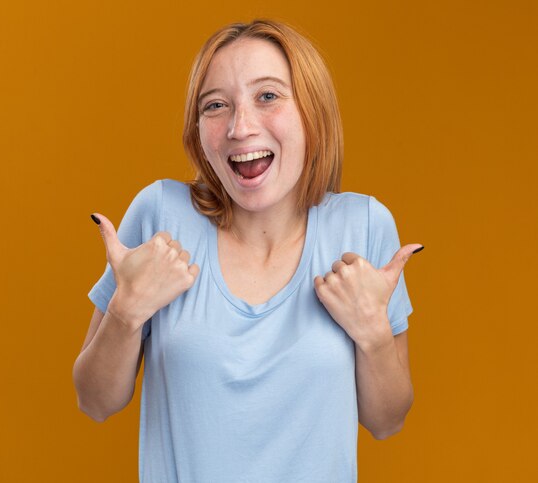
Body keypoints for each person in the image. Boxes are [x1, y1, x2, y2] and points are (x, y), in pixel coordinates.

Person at [73, 19, 423, 483]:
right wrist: (125, 312)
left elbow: (386, 421)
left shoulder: (362, 226)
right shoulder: (160, 215)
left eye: (268, 96)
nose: (240, 127)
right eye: (215, 105)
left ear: (312, 111)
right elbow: (95, 402)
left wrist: (375, 336)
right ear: (198, 130)